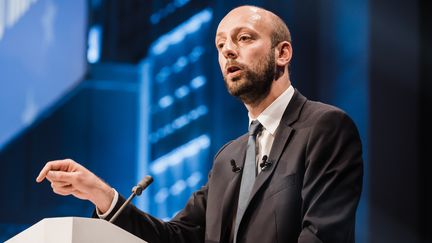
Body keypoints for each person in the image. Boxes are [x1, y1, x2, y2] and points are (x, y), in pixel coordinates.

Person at [36, 5, 363, 243]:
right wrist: (103, 195)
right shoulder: (227, 158)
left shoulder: (325, 127)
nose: (229, 52)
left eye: (244, 38)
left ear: (283, 53)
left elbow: (322, 236)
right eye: (220, 45)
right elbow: (174, 238)